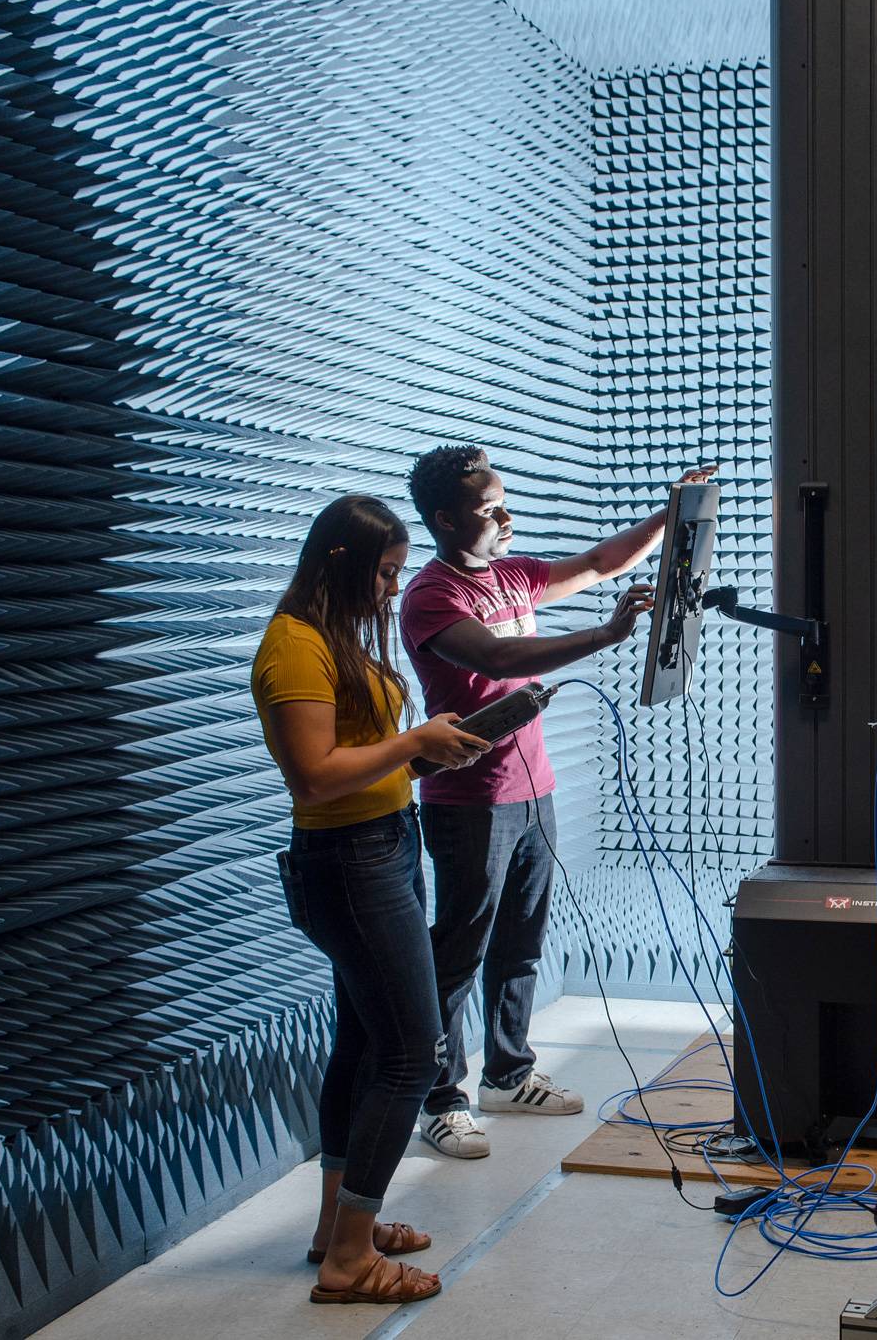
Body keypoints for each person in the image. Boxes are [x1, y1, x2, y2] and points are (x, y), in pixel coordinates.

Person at [399, 445, 717, 1159]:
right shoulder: (432, 595)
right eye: (489, 511)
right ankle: (440, 1097)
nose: (506, 519)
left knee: (520, 943)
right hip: (469, 799)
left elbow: (601, 564)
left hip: (534, 787)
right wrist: (606, 636)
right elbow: (498, 660)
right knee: (459, 949)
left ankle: (508, 1075)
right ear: (446, 520)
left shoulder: (511, 574)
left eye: (504, 502)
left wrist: (670, 517)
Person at [251, 495, 490, 1304]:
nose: (394, 589)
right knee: (408, 1051)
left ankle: (334, 1228)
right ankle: (350, 1259)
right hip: (350, 866)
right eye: (386, 573)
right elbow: (314, 776)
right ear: (344, 562)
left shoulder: (336, 639)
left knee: (361, 1046)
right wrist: (413, 741)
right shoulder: (293, 648)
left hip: (385, 846)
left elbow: (361, 760)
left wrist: (423, 758)